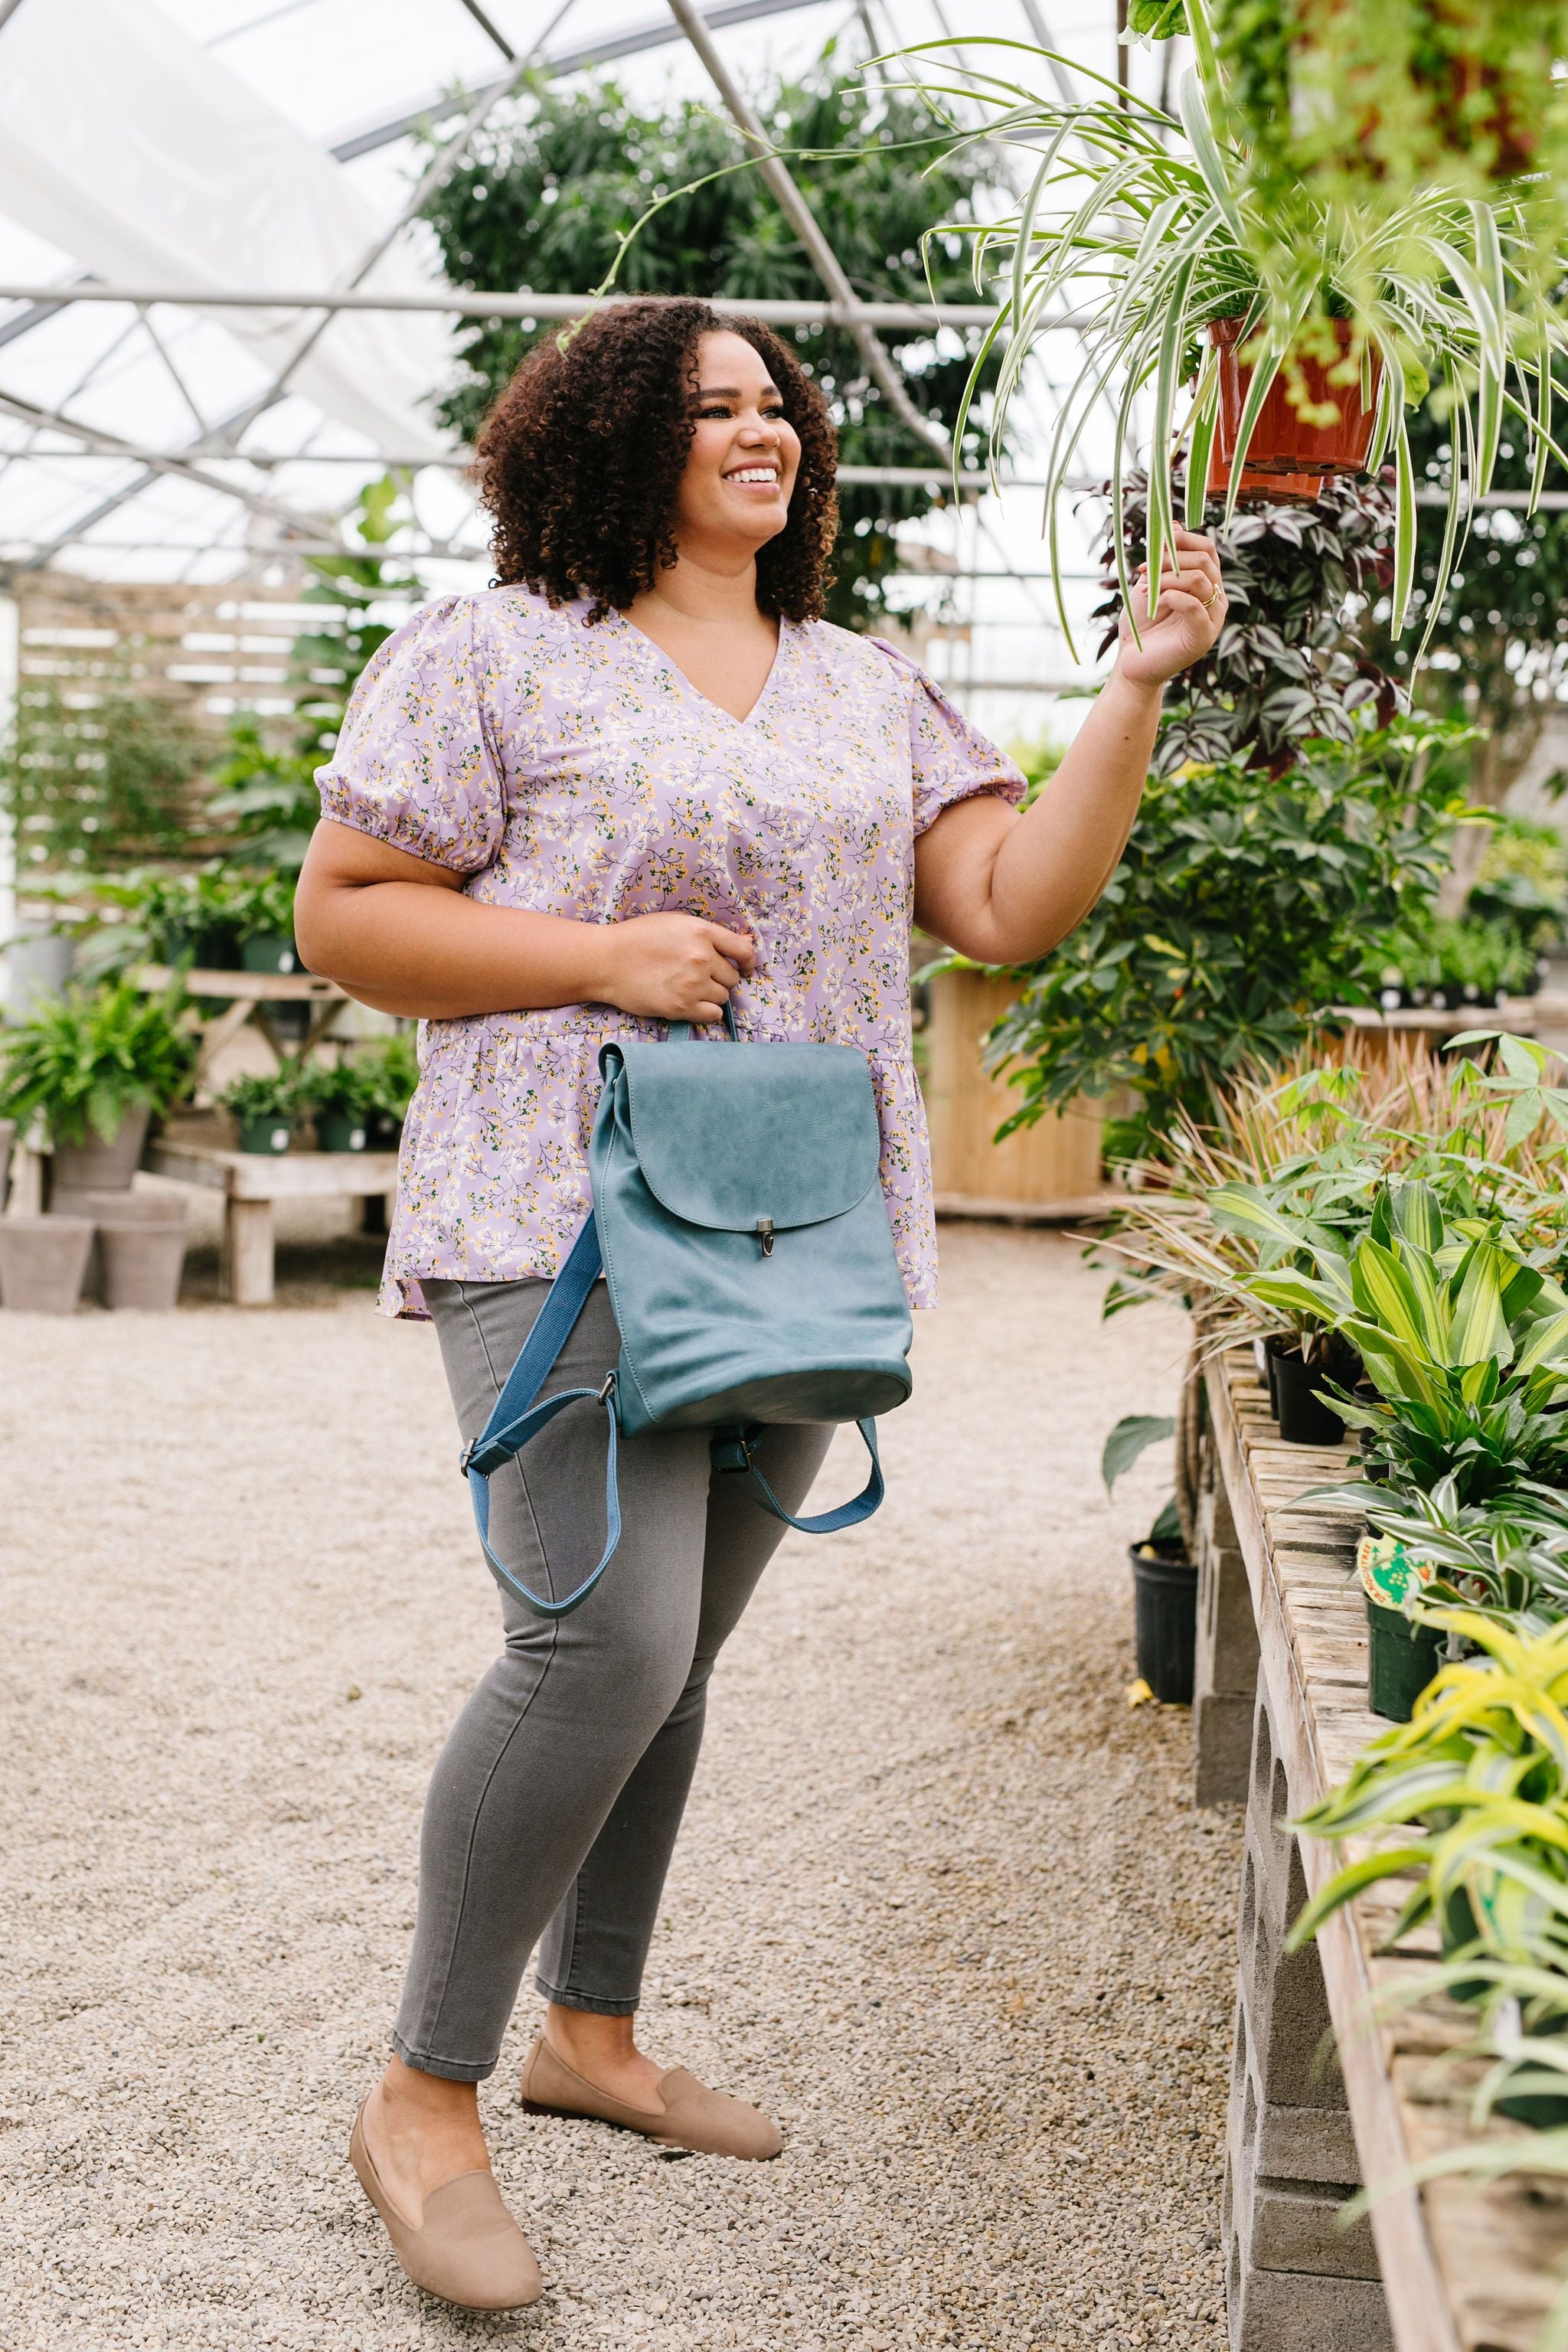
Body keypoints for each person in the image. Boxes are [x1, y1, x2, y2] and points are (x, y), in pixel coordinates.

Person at [293, 295, 1226, 2312]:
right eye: (710, 403)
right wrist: (596, 960)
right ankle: (422, 2090)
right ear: (611, 437)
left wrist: (1135, 692)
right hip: (558, 1209)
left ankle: (594, 2035)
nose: (764, 428)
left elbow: (1003, 905)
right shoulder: (489, 649)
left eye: (778, 403)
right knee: (596, 1646)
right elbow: (349, 913)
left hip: (797, 1220)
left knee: (680, 1654)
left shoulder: (864, 682)